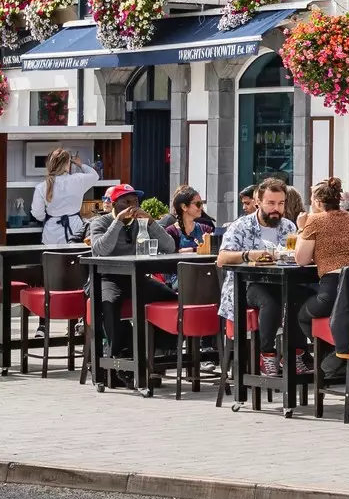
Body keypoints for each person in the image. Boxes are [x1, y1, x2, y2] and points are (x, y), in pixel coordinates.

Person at [86, 184, 178, 370]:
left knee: (170, 297)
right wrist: (118, 222)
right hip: (106, 277)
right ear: (113, 204)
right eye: (126, 202)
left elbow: (169, 247)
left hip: (136, 276)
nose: (132, 206)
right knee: (109, 302)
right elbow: (99, 250)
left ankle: (160, 348)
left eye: (135, 201)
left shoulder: (141, 223)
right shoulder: (100, 223)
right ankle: (118, 353)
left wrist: (151, 222)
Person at [216, 177, 298, 355]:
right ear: (258, 202)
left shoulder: (288, 227)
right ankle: (266, 354)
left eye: (281, 203)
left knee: (302, 297)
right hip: (244, 285)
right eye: (271, 203)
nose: (277, 209)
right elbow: (221, 258)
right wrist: (248, 255)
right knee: (271, 302)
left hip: (279, 282)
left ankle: (295, 355)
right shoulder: (240, 226)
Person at [294, 177, 349, 377]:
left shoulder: (315, 220)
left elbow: (301, 259)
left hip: (332, 291)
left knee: (303, 316)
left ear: (317, 202)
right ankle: (336, 360)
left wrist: (301, 227)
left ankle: (335, 354)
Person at [30, 147, 101, 244]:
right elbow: (95, 176)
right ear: (68, 164)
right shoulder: (78, 180)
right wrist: (80, 164)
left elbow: (37, 213)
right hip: (76, 232)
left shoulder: (41, 186)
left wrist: (51, 217)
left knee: (51, 258)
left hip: (51, 236)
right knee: (76, 258)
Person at [161, 185, 216, 252]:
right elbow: (169, 252)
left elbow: (217, 249)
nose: (201, 207)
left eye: (201, 203)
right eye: (198, 204)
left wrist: (193, 249)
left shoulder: (206, 229)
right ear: (184, 207)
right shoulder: (171, 232)